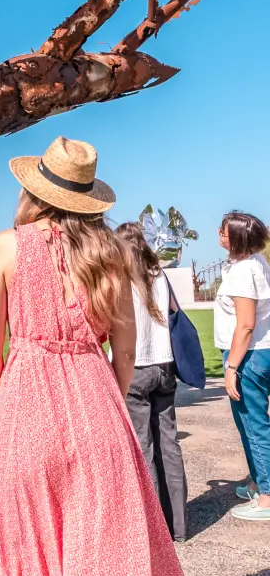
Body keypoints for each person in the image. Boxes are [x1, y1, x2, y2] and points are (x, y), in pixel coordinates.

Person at [0, 136, 201, 576]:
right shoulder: (112, 253)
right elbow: (124, 347)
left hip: (26, 396)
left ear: (34, 193)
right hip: (94, 390)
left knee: (27, 535)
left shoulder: (5, 246)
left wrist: (2, 396)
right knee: (104, 539)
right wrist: (107, 398)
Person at [116, 222, 189, 542]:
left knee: (143, 448)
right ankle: (179, 525)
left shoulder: (120, 278)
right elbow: (175, 315)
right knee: (169, 444)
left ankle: (153, 529)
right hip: (165, 367)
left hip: (137, 369)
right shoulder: (161, 276)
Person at [215, 210, 270, 521]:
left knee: (253, 425)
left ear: (236, 238)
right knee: (250, 424)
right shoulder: (255, 263)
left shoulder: (242, 272)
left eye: (224, 231)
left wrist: (232, 367)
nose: (219, 235)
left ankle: (266, 497)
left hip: (247, 355)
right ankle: (258, 481)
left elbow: (246, 324)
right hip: (258, 351)